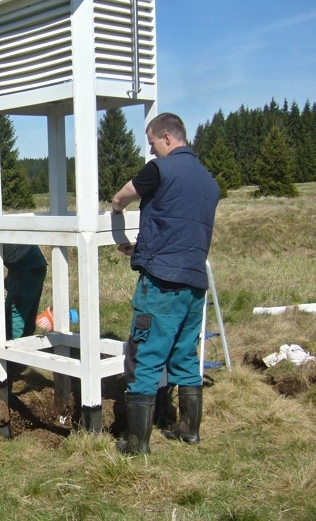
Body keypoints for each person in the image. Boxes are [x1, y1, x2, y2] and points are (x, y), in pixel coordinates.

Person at [111, 113, 220, 455]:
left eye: (153, 144)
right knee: (185, 354)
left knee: (145, 354)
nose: (152, 151)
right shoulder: (208, 181)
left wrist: (115, 210)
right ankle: (189, 430)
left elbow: (123, 196)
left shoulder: (160, 169)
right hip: (194, 283)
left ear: (168, 138)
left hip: (161, 284)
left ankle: (136, 442)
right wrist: (141, 246)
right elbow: (179, 225)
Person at [0, 242, 47, 340]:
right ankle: (27, 347)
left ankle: (14, 349)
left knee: (14, 313)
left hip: (26, 268)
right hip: (37, 263)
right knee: (27, 313)